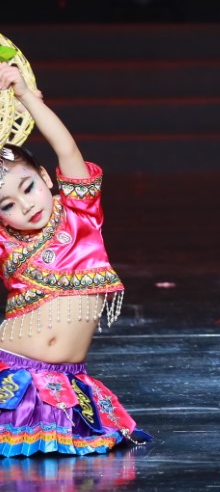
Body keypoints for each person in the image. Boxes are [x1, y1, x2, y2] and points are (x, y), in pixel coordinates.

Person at [0, 66, 148, 455]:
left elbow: (66, 149)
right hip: (10, 372)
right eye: (7, 205)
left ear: (45, 177)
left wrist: (26, 96)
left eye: (28, 187)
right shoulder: (5, 240)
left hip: (66, 381)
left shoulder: (79, 213)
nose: (24, 205)